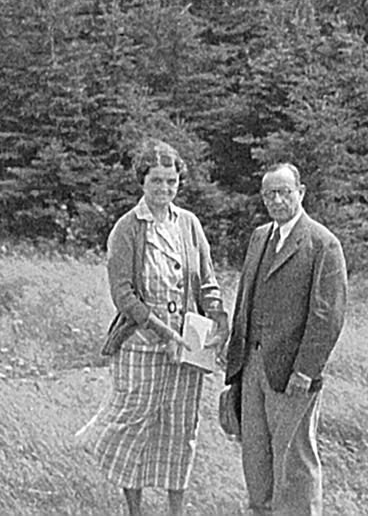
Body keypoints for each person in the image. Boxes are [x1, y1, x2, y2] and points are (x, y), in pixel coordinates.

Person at [78, 139, 229, 516]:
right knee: (134, 426)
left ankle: (176, 510)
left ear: (180, 182)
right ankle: (135, 510)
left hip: (188, 344)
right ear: (142, 181)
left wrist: (218, 316)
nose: (164, 188)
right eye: (156, 180)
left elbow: (207, 281)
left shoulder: (189, 224)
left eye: (171, 181)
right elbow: (123, 294)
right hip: (142, 343)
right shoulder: (127, 228)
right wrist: (162, 330)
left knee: (181, 429)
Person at [223, 162, 347, 516]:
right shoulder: (259, 237)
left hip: (293, 374)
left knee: (294, 459)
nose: (277, 200)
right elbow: (245, 299)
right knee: (256, 457)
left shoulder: (322, 244)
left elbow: (328, 316)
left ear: (301, 193)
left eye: (284, 192)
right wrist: (236, 355)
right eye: (269, 194)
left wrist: (305, 371)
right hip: (252, 366)